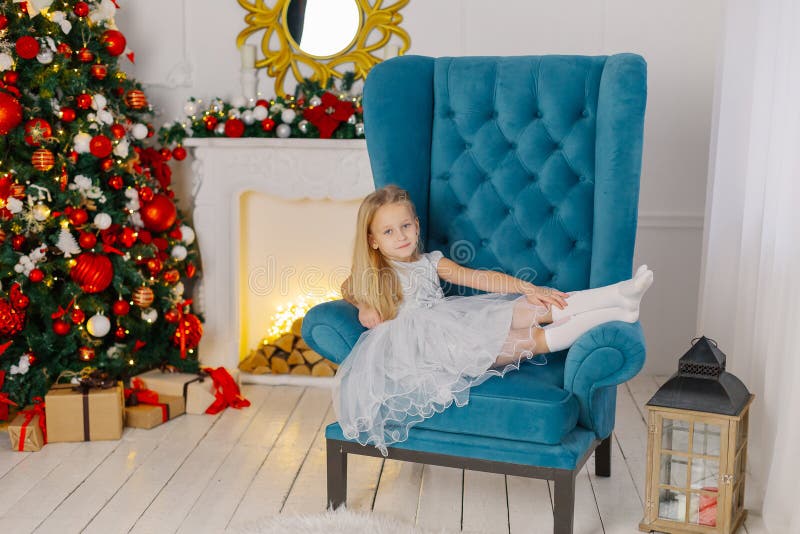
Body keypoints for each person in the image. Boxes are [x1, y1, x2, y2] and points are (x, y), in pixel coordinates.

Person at [335, 185, 653, 455]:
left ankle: (619, 295)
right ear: (373, 239)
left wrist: (525, 287)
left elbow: (479, 278)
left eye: (405, 226)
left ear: (417, 225)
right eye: (388, 231)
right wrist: (364, 305)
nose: (401, 236)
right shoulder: (374, 270)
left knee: (533, 306)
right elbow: (347, 288)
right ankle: (616, 313)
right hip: (432, 349)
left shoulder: (430, 262)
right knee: (532, 340)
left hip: (455, 321)